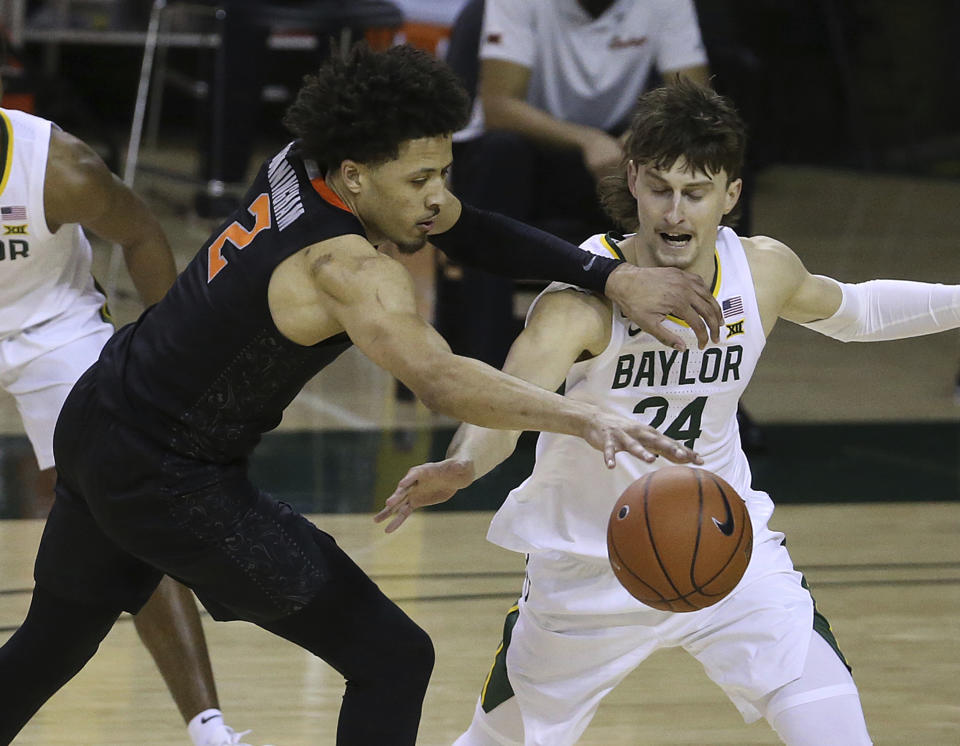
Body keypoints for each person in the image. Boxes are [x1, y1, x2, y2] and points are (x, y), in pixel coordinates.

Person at [0, 44, 726, 745]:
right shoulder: (345, 268)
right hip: (168, 478)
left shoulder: (299, 162)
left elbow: (467, 230)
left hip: (100, 413)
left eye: (443, 170)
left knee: (53, 637)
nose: (437, 196)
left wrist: (608, 277)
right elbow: (440, 380)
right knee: (392, 658)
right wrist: (580, 415)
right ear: (355, 177)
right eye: (418, 181)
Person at [377, 81, 960, 745]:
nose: (674, 211)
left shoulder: (761, 271)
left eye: (695, 191)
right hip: (589, 570)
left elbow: (859, 312)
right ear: (632, 181)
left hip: (727, 551)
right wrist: (462, 463)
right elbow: (510, 402)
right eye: (659, 188)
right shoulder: (582, 296)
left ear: (730, 196)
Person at [0, 93, 258, 745]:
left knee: (125, 497)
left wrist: (168, 363)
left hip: (51, 327)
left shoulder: (59, 169)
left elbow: (143, 234)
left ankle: (209, 728)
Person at [439, 0, 710, 369]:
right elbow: (500, 107)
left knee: (703, 162)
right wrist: (586, 140)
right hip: (530, 158)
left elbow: (692, 97)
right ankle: (487, 368)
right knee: (500, 154)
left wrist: (636, 140)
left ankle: (705, 356)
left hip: (620, 153)